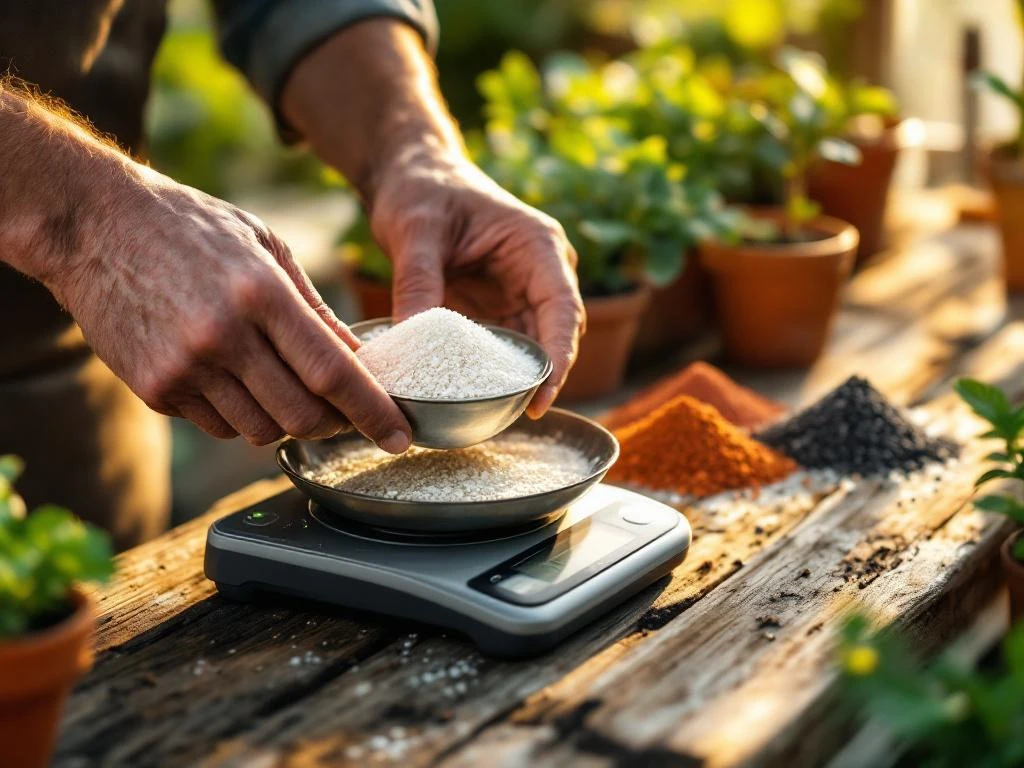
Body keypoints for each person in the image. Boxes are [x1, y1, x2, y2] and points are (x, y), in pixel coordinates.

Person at [0, 1, 584, 550]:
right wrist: (83, 220)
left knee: (96, 621)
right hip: (72, 296)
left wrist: (412, 148)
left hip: (74, 406)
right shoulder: (97, 238)